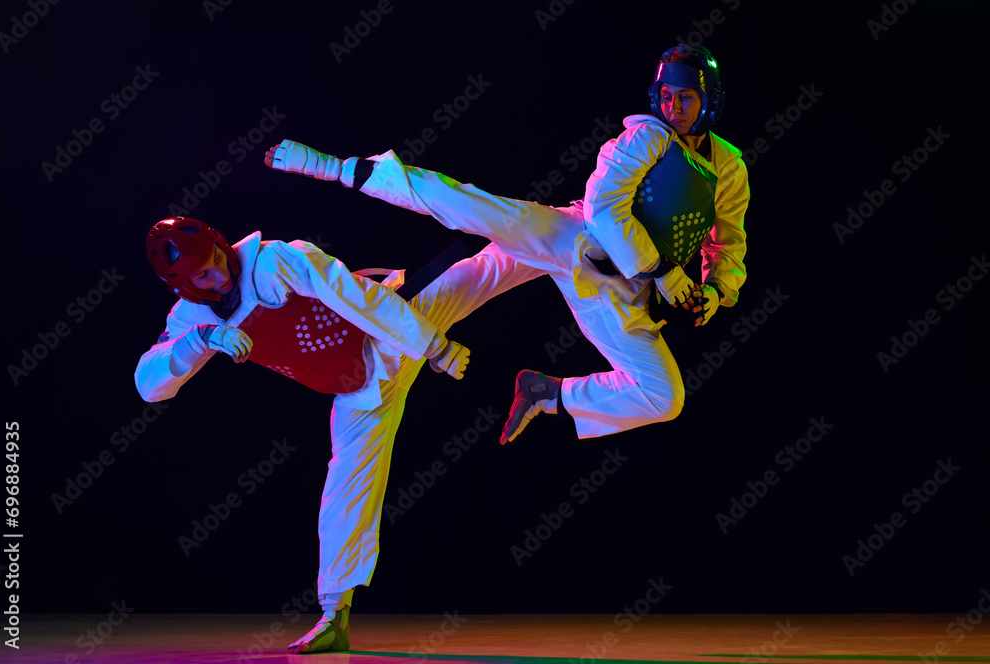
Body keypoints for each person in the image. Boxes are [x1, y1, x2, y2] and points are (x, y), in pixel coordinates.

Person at [264, 43, 748, 446]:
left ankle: (546, 393)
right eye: (666, 96)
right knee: (480, 212)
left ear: (710, 101)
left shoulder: (728, 166)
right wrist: (664, 271)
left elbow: (728, 244)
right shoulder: (646, 136)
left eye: (686, 98)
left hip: (618, 292)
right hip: (574, 239)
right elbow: (603, 209)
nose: (673, 108)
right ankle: (342, 172)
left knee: (664, 398)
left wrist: (714, 290)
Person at [134, 216, 540, 653]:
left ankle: (575, 229)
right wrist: (200, 340)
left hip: (395, 328)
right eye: (204, 274)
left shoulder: (273, 261)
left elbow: (353, 294)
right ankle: (334, 615)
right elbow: (148, 384)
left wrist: (433, 346)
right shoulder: (191, 319)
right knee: (344, 489)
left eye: (218, 256)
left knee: (489, 270)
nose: (221, 272)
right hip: (360, 391)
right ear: (184, 287)